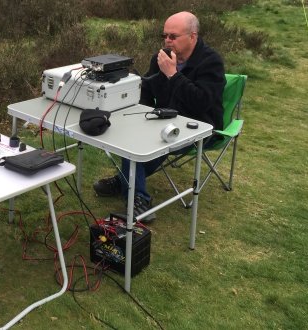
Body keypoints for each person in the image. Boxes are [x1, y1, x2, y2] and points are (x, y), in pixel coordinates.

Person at [93, 11, 226, 223]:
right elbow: (147, 88)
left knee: (139, 145)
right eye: (164, 35)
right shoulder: (161, 57)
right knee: (132, 136)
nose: (167, 41)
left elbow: (201, 102)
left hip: (198, 126)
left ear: (193, 36)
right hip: (165, 119)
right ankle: (125, 182)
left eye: (173, 36)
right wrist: (139, 115)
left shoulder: (211, 62)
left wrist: (173, 75)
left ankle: (137, 197)